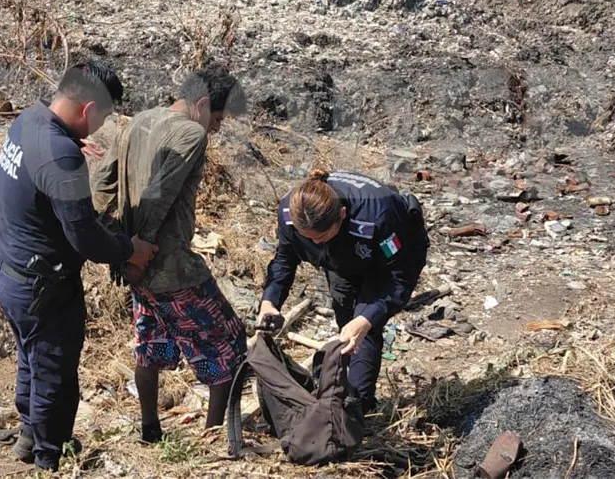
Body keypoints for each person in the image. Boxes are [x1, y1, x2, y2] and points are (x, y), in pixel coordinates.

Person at [0, 59, 158, 472]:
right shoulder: (62, 155)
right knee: (55, 374)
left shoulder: (29, 122)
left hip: (11, 273)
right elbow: (84, 237)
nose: (101, 127)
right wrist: (129, 249)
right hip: (44, 289)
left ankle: (29, 437)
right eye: (104, 117)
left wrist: (67, 150)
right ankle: (49, 458)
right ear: (88, 109)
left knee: (32, 360)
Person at [91, 63, 248, 442]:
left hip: (137, 266)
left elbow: (100, 184)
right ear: (203, 104)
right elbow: (158, 195)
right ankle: (214, 437)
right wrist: (139, 251)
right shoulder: (191, 133)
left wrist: (117, 246)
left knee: (151, 345)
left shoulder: (139, 120)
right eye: (217, 119)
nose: (216, 128)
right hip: (169, 266)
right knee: (229, 344)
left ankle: (150, 429)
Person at [257, 169, 429, 414]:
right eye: (308, 238)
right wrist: (270, 301)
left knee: (364, 326)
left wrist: (367, 318)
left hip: (390, 258)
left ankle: (358, 409)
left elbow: (399, 276)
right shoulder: (291, 213)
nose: (315, 243)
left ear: (342, 214)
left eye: (322, 236)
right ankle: (338, 394)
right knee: (347, 322)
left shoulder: (378, 214)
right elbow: (284, 260)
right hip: (341, 260)